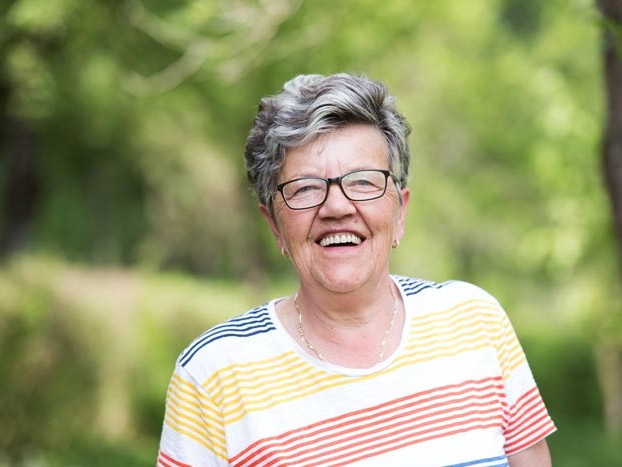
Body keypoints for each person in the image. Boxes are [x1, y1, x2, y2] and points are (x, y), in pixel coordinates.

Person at [157, 73, 556, 467]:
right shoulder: (213, 374)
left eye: (363, 182)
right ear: (275, 225)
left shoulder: (474, 321)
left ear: (400, 211)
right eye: (306, 188)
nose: (336, 208)